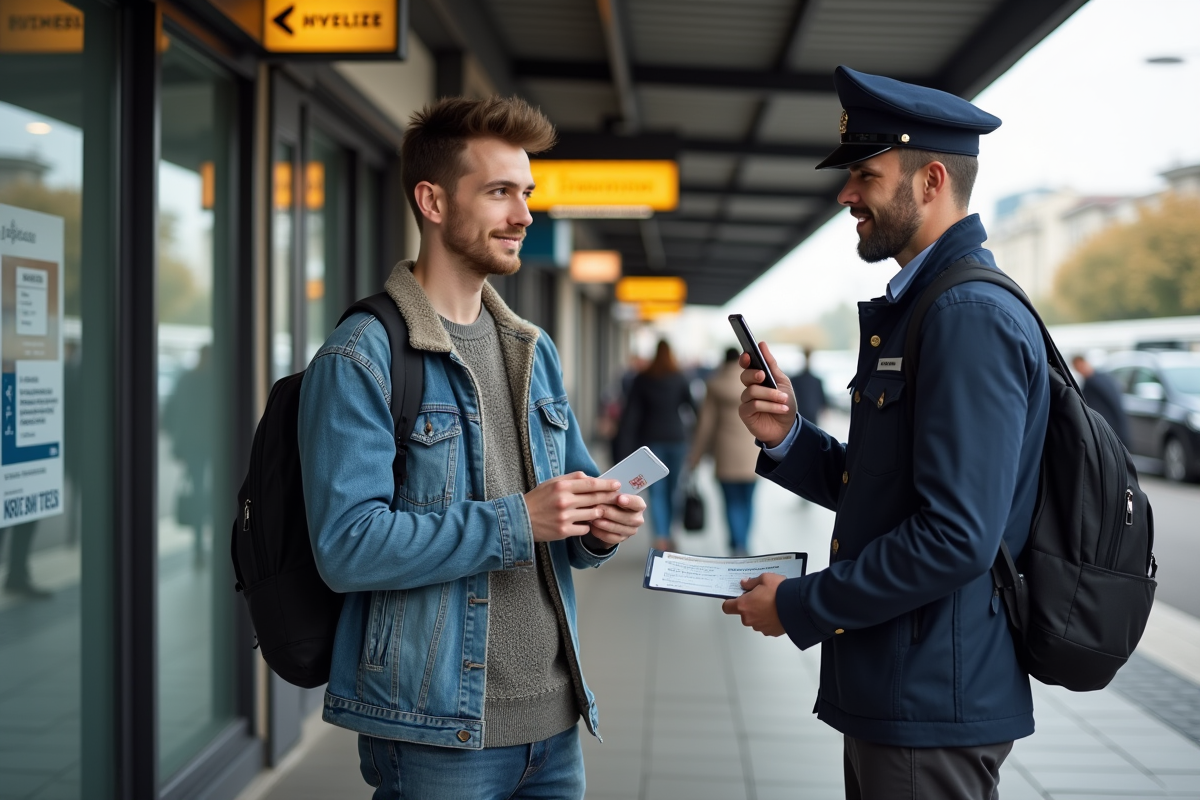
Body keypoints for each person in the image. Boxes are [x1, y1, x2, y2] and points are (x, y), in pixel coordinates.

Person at [298, 96, 647, 800]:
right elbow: (347, 546)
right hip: (440, 736)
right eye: (498, 193)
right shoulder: (361, 356)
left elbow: (568, 511)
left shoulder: (531, 349)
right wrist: (520, 520)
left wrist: (601, 525)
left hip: (555, 726)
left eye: (526, 193)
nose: (522, 215)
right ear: (431, 200)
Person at [722, 66, 1050, 800]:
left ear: (931, 181)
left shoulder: (965, 315)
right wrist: (789, 439)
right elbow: (887, 491)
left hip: (929, 692)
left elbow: (957, 535)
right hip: (906, 682)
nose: (845, 196)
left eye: (863, 176)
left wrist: (801, 604)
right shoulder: (928, 306)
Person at [615, 340, 696, 551]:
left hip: (651, 443)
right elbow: (693, 408)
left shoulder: (642, 379)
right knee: (673, 490)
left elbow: (630, 414)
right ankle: (670, 533)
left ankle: (661, 537)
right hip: (676, 440)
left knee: (657, 492)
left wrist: (624, 446)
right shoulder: (680, 378)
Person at [689, 348, 761, 556]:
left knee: (731, 501)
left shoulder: (714, 384)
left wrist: (696, 456)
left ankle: (736, 543)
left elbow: (705, 425)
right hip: (752, 455)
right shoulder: (753, 384)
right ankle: (744, 541)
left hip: (726, 455)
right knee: (748, 501)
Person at [1072, 354, 1130, 445]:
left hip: (1109, 430)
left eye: (1080, 366)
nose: (1080, 370)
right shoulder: (1093, 381)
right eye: (1077, 368)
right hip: (1105, 430)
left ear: (1085, 363)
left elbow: (1114, 404)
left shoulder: (1097, 381)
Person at [791, 347, 827, 425]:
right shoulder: (816, 381)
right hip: (808, 414)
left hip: (802, 415)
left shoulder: (795, 380)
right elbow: (822, 399)